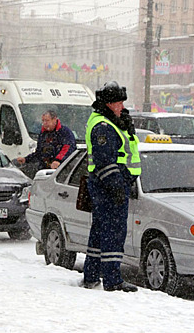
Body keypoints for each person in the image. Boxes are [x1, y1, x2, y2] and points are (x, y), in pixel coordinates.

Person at [82, 81, 141, 292]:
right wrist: (117, 187)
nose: (122, 107)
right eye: (118, 103)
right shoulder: (103, 127)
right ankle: (113, 279)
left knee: (100, 231)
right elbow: (105, 161)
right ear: (108, 104)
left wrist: (125, 126)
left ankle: (91, 275)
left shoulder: (110, 121)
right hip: (109, 186)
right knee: (113, 232)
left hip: (107, 185)